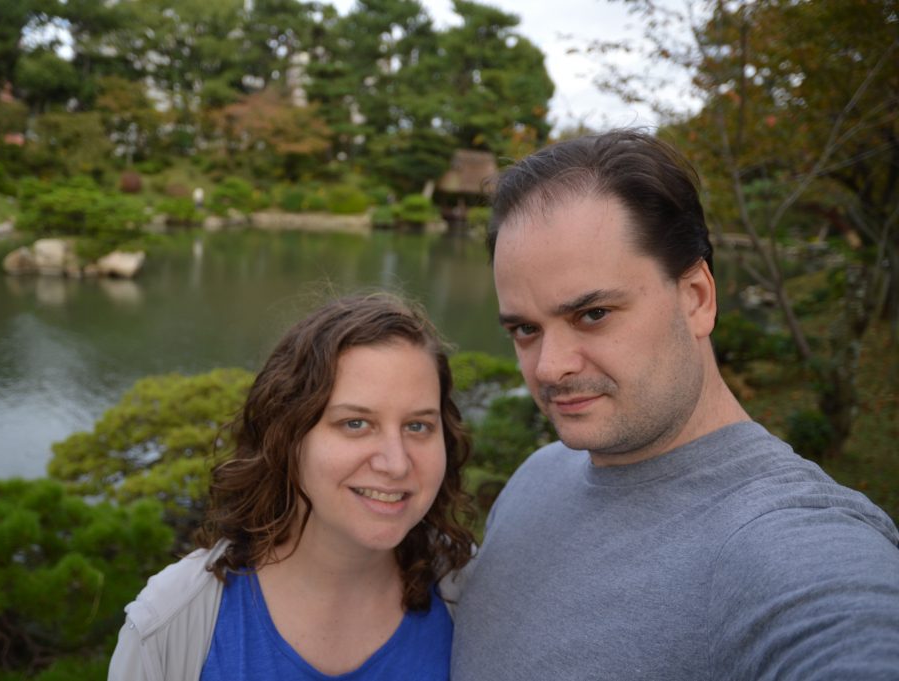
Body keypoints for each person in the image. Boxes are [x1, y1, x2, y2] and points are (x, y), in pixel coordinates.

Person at [451, 130, 899, 680]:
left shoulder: (787, 542)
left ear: (696, 299)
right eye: (524, 329)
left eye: (592, 314)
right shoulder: (537, 475)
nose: (548, 367)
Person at [109, 293, 474, 680]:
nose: (396, 463)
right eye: (355, 423)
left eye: (418, 426)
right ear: (287, 436)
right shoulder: (167, 624)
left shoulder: (476, 599)